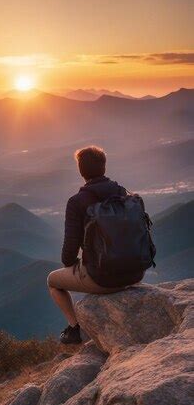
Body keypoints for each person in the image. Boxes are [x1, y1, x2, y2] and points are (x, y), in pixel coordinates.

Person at [47, 145, 144, 345]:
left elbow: (68, 254)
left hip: (102, 279)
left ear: (81, 171)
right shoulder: (124, 193)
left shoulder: (77, 202)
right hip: (136, 273)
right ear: (104, 167)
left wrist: (75, 264)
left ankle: (74, 329)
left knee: (52, 281)